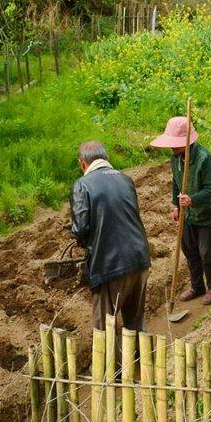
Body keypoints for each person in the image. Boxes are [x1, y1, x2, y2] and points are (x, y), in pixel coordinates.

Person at [70, 141, 151, 331]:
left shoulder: (82, 185)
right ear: (106, 158)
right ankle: (142, 351)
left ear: (82, 163)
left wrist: (85, 244)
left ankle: (110, 353)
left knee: (104, 329)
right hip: (139, 257)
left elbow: (80, 229)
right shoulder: (125, 179)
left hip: (109, 266)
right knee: (136, 324)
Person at [150, 116, 211, 306]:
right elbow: (176, 184)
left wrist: (193, 200)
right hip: (188, 214)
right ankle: (197, 286)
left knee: (206, 253)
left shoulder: (204, 159)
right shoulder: (176, 159)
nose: (171, 147)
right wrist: (176, 206)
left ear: (187, 142)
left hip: (208, 213)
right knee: (190, 250)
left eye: (175, 143)